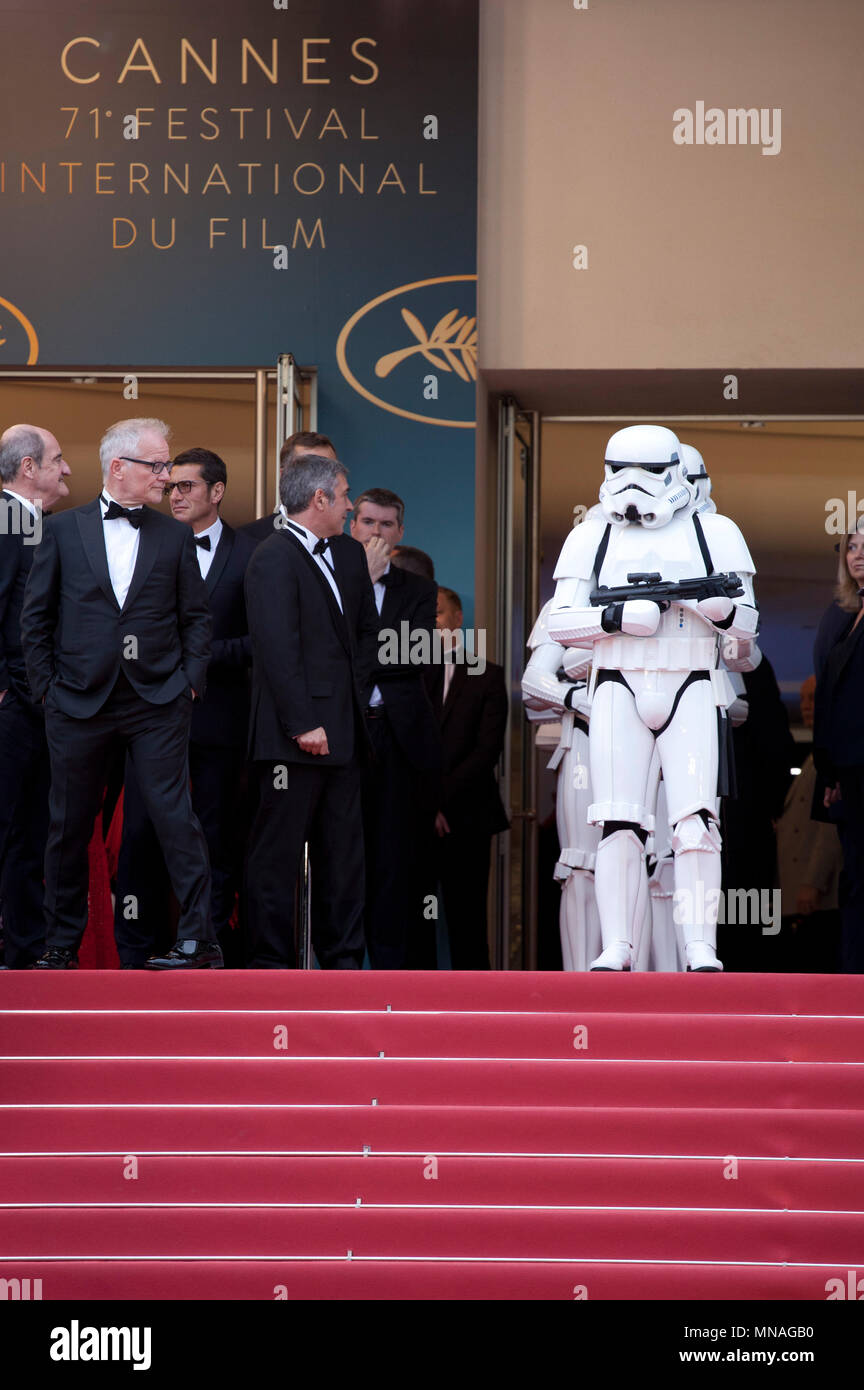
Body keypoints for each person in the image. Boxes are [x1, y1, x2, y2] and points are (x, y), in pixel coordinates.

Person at [548, 424, 759, 972]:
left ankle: (699, 946)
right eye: (621, 471)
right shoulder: (591, 537)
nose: (634, 486)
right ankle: (618, 945)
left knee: (695, 821)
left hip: (689, 681)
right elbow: (561, 623)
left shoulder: (715, 533)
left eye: (649, 472)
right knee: (618, 821)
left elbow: (747, 634)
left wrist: (722, 611)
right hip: (619, 681)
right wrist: (615, 617)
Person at [22, 417, 219, 970]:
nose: (166, 477)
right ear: (118, 468)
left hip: (156, 701)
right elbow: (35, 620)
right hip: (77, 701)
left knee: (174, 816)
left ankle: (196, 940)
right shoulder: (62, 530)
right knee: (68, 824)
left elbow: (195, 620)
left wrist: (188, 685)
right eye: (157, 466)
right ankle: (60, 944)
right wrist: (47, 692)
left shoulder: (176, 536)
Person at [115, 447, 255, 967]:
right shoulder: (138, 541)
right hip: (143, 718)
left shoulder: (250, 554)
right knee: (141, 836)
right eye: (171, 486)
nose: (175, 495)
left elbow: (259, 642)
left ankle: (205, 946)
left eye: (187, 487)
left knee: (213, 839)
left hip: (216, 721)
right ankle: (135, 952)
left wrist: (195, 659)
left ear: (216, 492)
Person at [244, 453, 378, 968]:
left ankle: (342, 963)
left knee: (344, 857)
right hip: (289, 739)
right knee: (276, 858)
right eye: (344, 496)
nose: (350, 506)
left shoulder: (347, 553)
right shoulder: (272, 556)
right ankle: (271, 965)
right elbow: (275, 646)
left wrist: (351, 698)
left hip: (345, 733)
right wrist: (303, 722)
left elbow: (367, 634)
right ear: (319, 498)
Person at [349, 489, 442, 968]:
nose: (376, 533)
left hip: (399, 738)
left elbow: (408, 658)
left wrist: (361, 658)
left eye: (386, 525)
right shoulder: (332, 580)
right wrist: (361, 584)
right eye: (367, 522)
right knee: (345, 857)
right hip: (343, 736)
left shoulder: (419, 590)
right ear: (352, 526)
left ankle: (387, 975)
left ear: (400, 533)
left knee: (392, 861)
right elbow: (327, 656)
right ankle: (341, 977)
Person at [0, 425, 71, 967]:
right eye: (57, 459)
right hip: (15, 713)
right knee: (14, 833)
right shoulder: (7, 524)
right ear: (29, 468)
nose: (66, 469)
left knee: (28, 835)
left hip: (37, 711)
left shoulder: (36, 526)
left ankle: (24, 954)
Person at [434, 585, 509, 969]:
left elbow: (486, 753)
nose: (432, 623)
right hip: (414, 820)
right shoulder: (401, 677)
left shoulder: (488, 676)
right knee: (408, 924)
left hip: (469, 819)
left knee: (469, 924)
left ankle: (477, 1018)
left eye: (438, 614)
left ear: (458, 620)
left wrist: (439, 802)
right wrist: (426, 805)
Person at [813, 521, 864, 973]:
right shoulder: (846, 616)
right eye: (851, 547)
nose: (858, 555)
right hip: (849, 774)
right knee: (855, 881)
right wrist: (829, 774)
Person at [775, 675, 842, 971]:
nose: (805, 706)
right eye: (802, 699)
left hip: (817, 894)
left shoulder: (832, 757)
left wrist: (812, 882)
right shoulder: (816, 756)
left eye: (813, 699)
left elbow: (828, 828)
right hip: (798, 890)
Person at [242, 431, 338, 546]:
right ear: (284, 476)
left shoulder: (352, 549)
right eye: (309, 471)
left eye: (329, 471)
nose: (321, 480)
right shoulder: (247, 540)